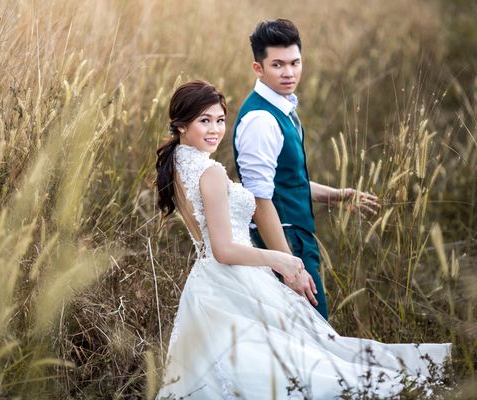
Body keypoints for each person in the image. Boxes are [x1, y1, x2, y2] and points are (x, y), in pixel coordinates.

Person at [155, 80, 450, 399]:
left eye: (220, 120)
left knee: (238, 376)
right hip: (234, 282)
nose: (215, 130)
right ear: (182, 125)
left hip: (207, 286)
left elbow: (261, 190)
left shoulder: (181, 164)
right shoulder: (208, 172)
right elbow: (224, 250)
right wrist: (282, 259)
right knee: (293, 370)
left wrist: (333, 195)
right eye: (204, 120)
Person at [233, 19, 380, 321]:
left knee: (308, 339)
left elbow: (285, 183)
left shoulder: (282, 107)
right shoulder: (261, 119)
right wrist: (288, 265)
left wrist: (337, 196)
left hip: (296, 240)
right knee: (311, 336)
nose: (289, 72)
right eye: (277, 64)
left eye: (295, 62)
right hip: (283, 243)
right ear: (258, 68)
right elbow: (259, 201)